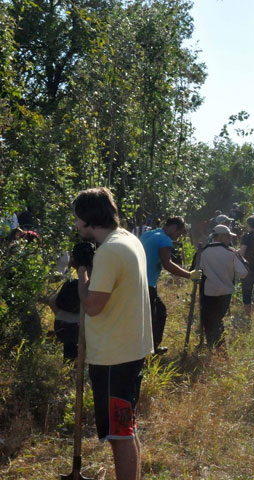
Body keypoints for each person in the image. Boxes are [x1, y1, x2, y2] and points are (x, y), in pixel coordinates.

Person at [73, 187, 153, 480]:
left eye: (77, 219)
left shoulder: (108, 251)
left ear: (86, 218)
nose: (75, 225)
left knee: (119, 433)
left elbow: (92, 305)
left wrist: (82, 270)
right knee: (125, 426)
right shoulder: (129, 239)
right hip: (129, 348)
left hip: (113, 357)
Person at [140, 217, 202, 355]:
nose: (177, 238)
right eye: (179, 234)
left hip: (137, 282)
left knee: (158, 313)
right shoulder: (165, 240)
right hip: (147, 286)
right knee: (152, 318)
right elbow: (167, 264)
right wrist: (189, 275)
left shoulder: (148, 234)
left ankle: (151, 348)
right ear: (173, 228)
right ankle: (146, 352)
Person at [199, 224, 248, 349]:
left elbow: (196, 271)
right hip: (225, 293)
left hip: (208, 292)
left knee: (209, 320)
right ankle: (220, 348)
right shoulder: (231, 253)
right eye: (228, 237)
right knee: (217, 320)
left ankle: (213, 345)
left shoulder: (203, 251)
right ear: (221, 237)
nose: (230, 240)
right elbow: (243, 273)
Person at [47, 242, 95, 361]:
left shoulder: (71, 283)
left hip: (61, 325)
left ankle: (69, 375)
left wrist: (61, 316)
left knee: (69, 356)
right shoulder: (92, 283)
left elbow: (52, 301)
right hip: (78, 328)